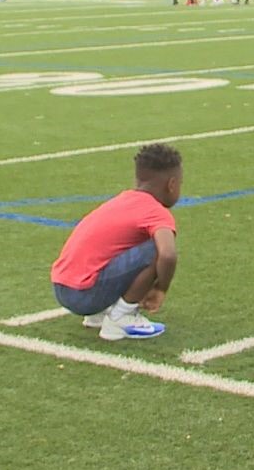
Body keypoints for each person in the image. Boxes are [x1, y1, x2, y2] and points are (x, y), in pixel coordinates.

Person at [50, 143, 183, 342]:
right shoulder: (156, 212)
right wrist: (160, 288)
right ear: (171, 184)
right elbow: (168, 255)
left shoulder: (120, 201)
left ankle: (99, 314)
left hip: (62, 288)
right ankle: (121, 317)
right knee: (155, 246)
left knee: (126, 244)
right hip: (85, 294)